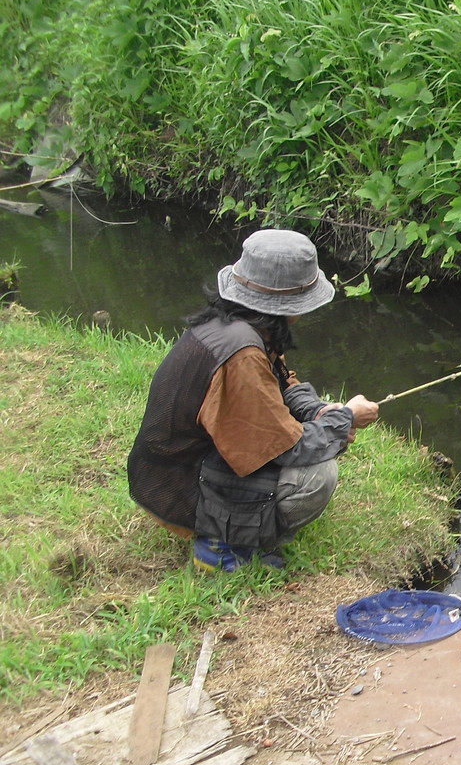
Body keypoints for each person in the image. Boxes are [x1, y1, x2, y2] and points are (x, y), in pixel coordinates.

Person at [127, 229, 380, 571]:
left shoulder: (235, 323)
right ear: (290, 302)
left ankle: (232, 527)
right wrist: (344, 420)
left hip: (175, 475)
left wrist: (320, 410)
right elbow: (287, 447)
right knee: (318, 475)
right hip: (178, 492)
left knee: (315, 445)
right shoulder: (241, 352)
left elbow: (280, 383)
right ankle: (221, 545)